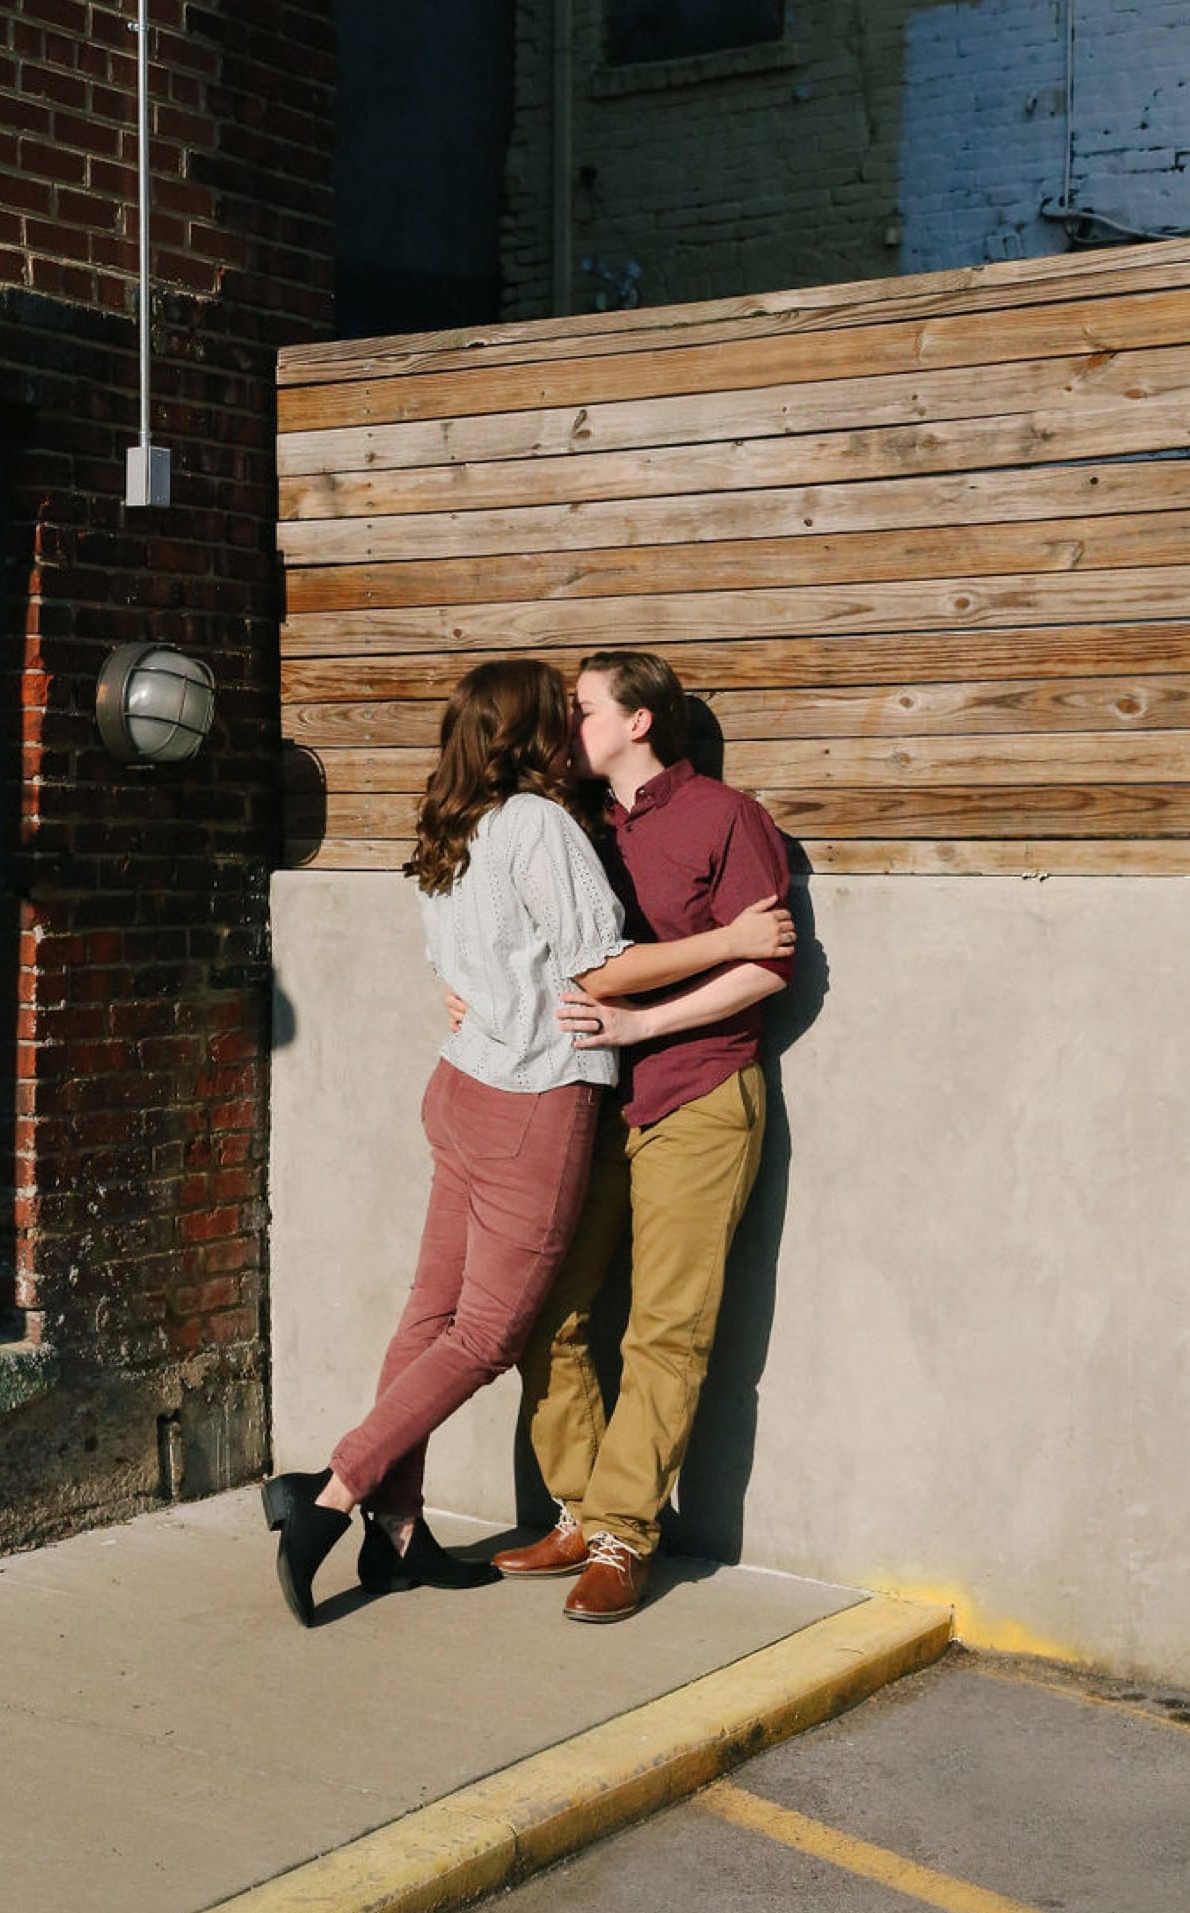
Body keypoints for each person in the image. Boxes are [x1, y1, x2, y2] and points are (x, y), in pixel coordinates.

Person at [261, 657, 792, 1629]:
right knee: (494, 1333)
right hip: (532, 1104)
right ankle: (336, 1491)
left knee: (437, 1317)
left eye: (584, 707)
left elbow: (473, 960)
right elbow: (597, 961)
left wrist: (490, 995)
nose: (570, 723)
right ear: (531, 734)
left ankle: (412, 1532)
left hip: (492, 1086)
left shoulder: (459, 821)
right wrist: (716, 947)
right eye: (562, 711)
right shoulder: (549, 822)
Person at [492, 649, 794, 1624]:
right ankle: (583, 1506)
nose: (565, 727)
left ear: (638, 721)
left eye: (580, 710)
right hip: (593, 1102)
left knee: (665, 1327)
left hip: (700, 1097)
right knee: (552, 1310)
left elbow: (768, 965)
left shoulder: (728, 817)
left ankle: (626, 1536)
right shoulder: (578, 831)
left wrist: (639, 1026)